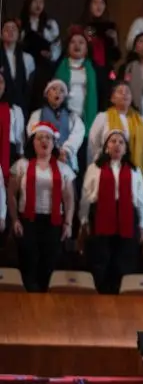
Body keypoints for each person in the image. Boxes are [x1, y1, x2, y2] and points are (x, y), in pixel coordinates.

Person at [79, 128, 143, 294]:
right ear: (105, 146)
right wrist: (84, 220)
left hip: (126, 215)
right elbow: (86, 196)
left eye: (121, 142)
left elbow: (140, 200)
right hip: (101, 214)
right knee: (101, 257)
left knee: (124, 258)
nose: (117, 145)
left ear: (125, 148)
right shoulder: (95, 168)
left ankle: (121, 294)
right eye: (113, 141)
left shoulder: (134, 170)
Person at [8, 122, 75, 291]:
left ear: (54, 143)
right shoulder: (22, 165)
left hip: (53, 222)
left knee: (49, 263)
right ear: (33, 142)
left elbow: (68, 199)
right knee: (29, 262)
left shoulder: (63, 168)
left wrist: (68, 222)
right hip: (28, 220)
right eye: (40, 138)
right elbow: (11, 195)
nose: (44, 141)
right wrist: (15, 219)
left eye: (48, 138)